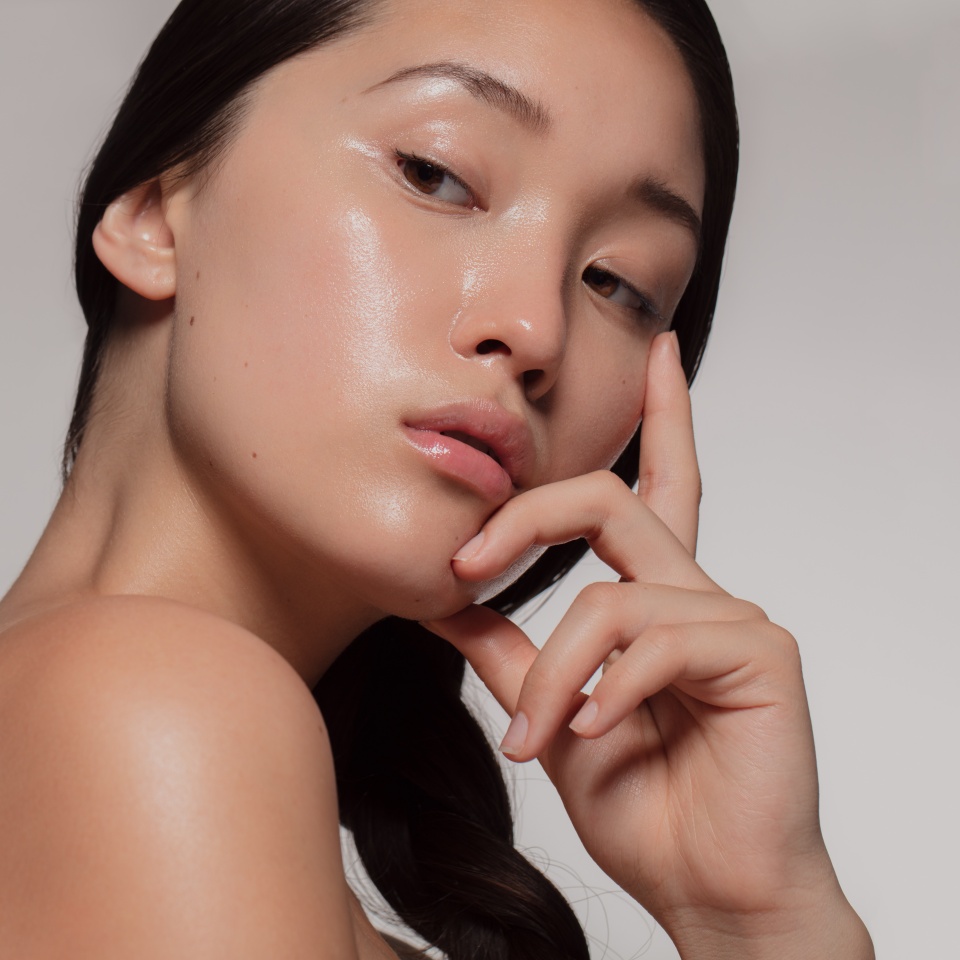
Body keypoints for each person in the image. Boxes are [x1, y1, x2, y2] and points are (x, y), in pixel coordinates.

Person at [0, 0, 874, 957]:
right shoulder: (149, 706)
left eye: (618, 282)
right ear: (154, 214)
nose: (539, 328)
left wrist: (753, 916)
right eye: (437, 175)